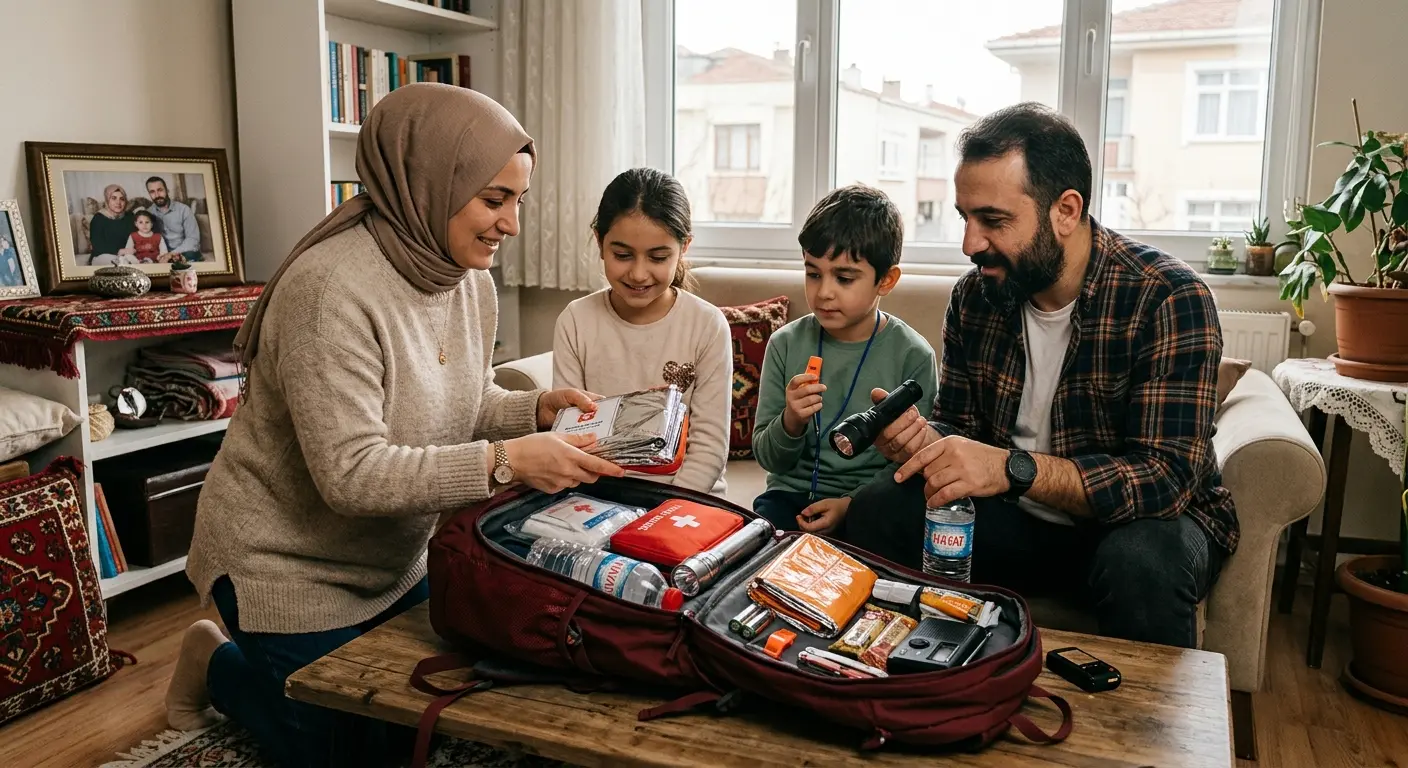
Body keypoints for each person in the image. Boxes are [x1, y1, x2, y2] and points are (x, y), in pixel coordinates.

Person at [163, 83, 625, 768]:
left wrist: (535, 409)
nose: (512, 225)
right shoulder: (330, 292)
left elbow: (457, 402)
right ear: (428, 184)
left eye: (517, 201)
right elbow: (351, 476)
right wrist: (507, 461)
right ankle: (218, 665)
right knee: (355, 751)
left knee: (454, 708)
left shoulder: (467, 278)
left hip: (392, 556)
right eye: (494, 200)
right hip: (286, 565)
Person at [842, 103, 1236, 650]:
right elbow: (960, 428)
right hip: (1023, 525)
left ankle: (1148, 733)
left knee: (1141, 560)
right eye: (965, 218)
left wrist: (1013, 469)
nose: (970, 243)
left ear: (1066, 211)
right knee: (879, 508)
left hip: (1142, 526)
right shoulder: (977, 297)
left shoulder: (1167, 297)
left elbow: (1163, 480)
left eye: (994, 221)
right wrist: (926, 445)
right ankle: (890, 682)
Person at [751, 184, 938, 534]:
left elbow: (913, 464)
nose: (823, 292)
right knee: (758, 549)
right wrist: (790, 420)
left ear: (886, 280)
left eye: (844, 277)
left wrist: (849, 504)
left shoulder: (913, 356)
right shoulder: (784, 344)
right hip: (788, 498)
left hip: (870, 502)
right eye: (813, 273)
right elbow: (768, 458)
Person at [552, 168, 732, 494]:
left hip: (689, 499)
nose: (638, 273)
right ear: (599, 241)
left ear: (684, 248)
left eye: (658, 257)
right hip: (596, 494)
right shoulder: (576, 320)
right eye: (622, 255)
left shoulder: (707, 324)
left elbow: (708, 447)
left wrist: (662, 513)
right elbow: (570, 438)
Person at [146, 175, 205, 262]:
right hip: (161, 255)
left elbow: (193, 239)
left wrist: (171, 254)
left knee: (193, 253)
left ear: (167, 190)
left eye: (160, 190)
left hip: (183, 252)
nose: (157, 195)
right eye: (152, 192)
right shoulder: (148, 213)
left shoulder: (184, 210)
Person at [88, 184, 137, 266]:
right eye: (113, 198)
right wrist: (119, 251)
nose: (118, 202)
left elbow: (137, 238)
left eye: (122, 199)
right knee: (119, 264)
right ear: (107, 200)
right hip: (103, 256)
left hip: (126, 256)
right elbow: (97, 246)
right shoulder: (98, 218)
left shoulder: (130, 216)